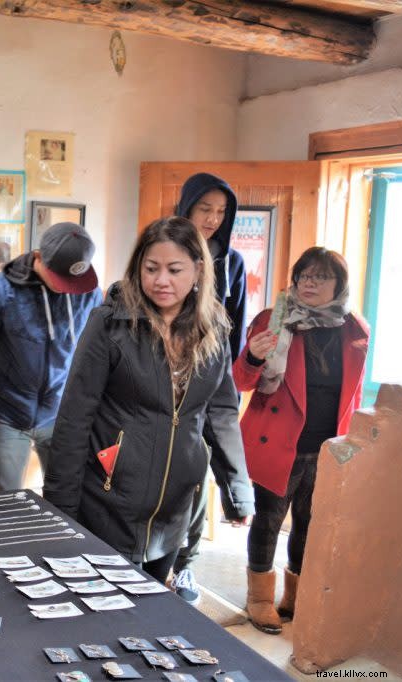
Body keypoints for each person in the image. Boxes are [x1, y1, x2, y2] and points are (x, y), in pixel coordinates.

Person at [44, 216, 254, 582]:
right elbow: (75, 417)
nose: (161, 281)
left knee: (152, 619)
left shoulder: (214, 329)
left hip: (173, 512)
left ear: (198, 270)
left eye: (174, 269)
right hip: (108, 503)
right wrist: (60, 509)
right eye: (151, 268)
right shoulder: (111, 323)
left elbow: (220, 413)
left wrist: (237, 490)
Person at [234, 247, 368, 634]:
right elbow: (239, 383)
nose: (309, 283)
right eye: (304, 276)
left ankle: (295, 596)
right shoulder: (273, 321)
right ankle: (259, 598)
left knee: (311, 524)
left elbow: (355, 395)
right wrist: (253, 359)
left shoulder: (353, 329)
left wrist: (353, 443)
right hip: (277, 441)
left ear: (338, 285)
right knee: (269, 521)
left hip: (329, 446)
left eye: (320, 277)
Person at [0, 222, 103, 492]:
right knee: (1, 505)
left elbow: (98, 358)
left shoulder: (89, 293)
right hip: (9, 414)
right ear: (38, 257)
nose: (68, 289)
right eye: (61, 279)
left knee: (71, 502)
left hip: (64, 414)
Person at [170, 172, 249, 606]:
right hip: (160, 383)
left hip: (206, 383)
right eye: (206, 209)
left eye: (222, 212)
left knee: (196, 481)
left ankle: (184, 565)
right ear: (187, 206)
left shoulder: (232, 263)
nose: (214, 219)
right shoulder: (163, 251)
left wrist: (224, 383)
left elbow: (233, 330)